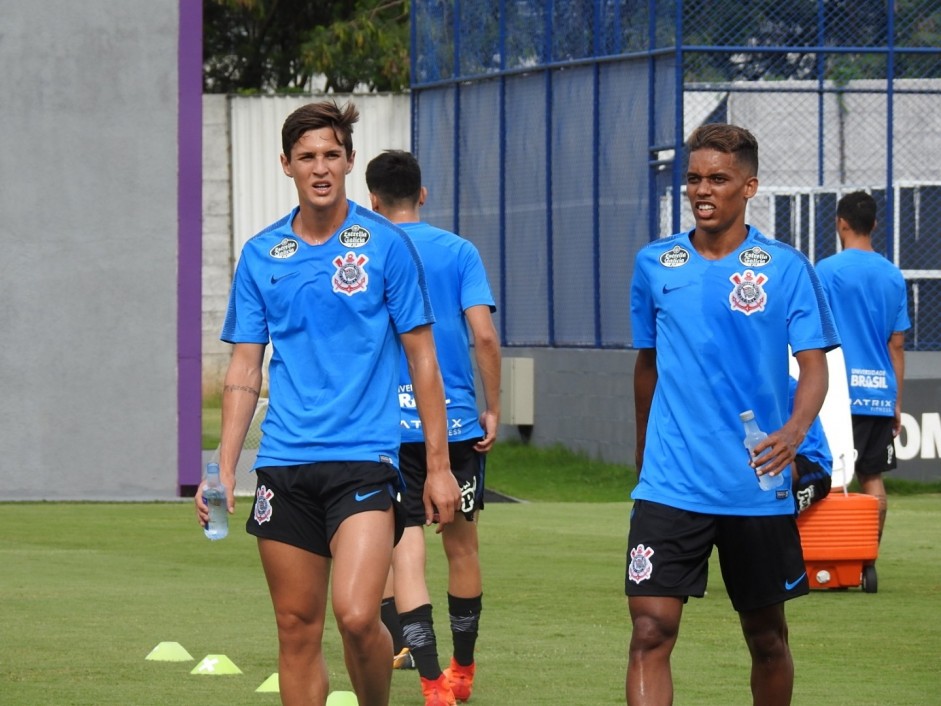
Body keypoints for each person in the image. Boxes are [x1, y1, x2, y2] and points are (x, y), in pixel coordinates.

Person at [195, 101, 461, 706]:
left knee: (358, 614)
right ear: (286, 165)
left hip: (365, 460)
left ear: (348, 162)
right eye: (307, 157)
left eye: (332, 156)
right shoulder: (262, 255)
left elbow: (423, 358)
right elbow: (244, 367)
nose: (321, 168)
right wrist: (222, 467)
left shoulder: (386, 246)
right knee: (295, 630)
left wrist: (440, 467)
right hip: (285, 464)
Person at [627, 123, 839, 706]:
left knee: (767, 638)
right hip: (671, 483)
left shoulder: (785, 267)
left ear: (749, 187)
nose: (703, 190)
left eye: (718, 179)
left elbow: (814, 366)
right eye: (694, 178)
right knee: (649, 631)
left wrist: (795, 433)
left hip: (756, 482)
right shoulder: (655, 264)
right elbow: (646, 366)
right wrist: (643, 454)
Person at [365, 150, 501, 706]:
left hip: (388, 428)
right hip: (457, 420)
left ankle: (430, 685)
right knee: (463, 547)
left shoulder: (368, 249)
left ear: (372, 201)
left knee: (407, 549)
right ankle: (462, 671)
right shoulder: (460, 251)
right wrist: (492, 405)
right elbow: (484, 336)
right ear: (422, 194)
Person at [815, 191, 910, 544]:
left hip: (836, 394)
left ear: (840, 223)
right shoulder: (893, 276)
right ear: (874, 224)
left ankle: (830, 553)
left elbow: (816, 332)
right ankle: (867, 553)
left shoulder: (826, 270)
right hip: (878, 393)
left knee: (830, 475)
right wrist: (896, 400)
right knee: (873, 477)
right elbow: (896, 344)